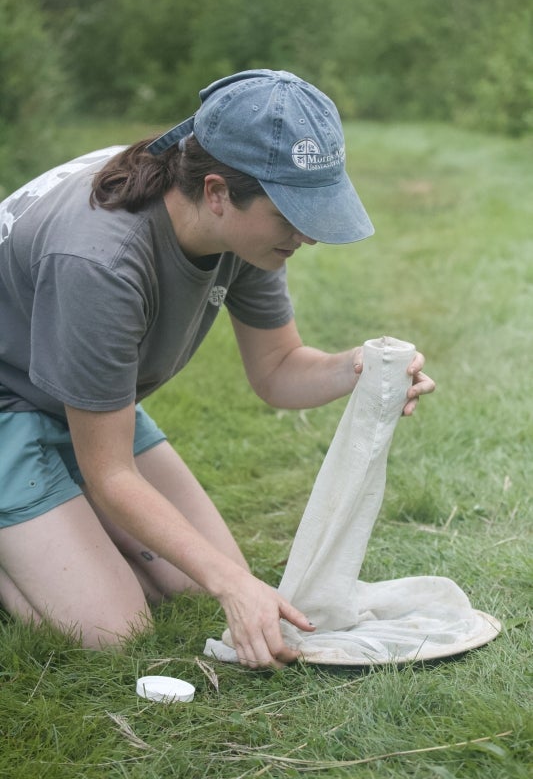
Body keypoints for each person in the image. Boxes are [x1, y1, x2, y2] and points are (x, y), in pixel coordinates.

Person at [0, 69, 435, 669]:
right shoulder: (102, 262)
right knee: (113, 631)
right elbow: (112, 473)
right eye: (290, 214)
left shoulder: (245, 232)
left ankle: (50, 527)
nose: (307, 234)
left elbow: (278, 368)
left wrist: (358, 370)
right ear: (216, 193)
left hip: (80, 395)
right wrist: (234, 586)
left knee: (193, 579)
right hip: (8, 402)